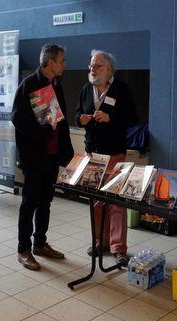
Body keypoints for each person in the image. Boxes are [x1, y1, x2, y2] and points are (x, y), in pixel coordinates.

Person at [12, 44, 74, 271]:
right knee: (29, 203)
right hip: (34, 156)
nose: (65, 65)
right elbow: (17, 119)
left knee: (46, 201)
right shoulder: (29, 84)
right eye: (62, 61)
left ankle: (40, 243)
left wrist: (66, 152)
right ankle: (23, 249)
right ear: (50, 63)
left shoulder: (56, 84)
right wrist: (44, 130)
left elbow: (62, 120)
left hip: (52, 156)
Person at [75, 49, 138, 266]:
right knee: (96, 202)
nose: (92, 69)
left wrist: (110, 117)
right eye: (91, 65)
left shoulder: (121, 89)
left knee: (117, 203)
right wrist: (80, 119)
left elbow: (132, 118)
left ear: (109, 68)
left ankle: (118, 248)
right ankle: (99, 242)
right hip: (92, 154)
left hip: (115, 154)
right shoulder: (85, 90)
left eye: (97, 65)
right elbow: (76, 114)